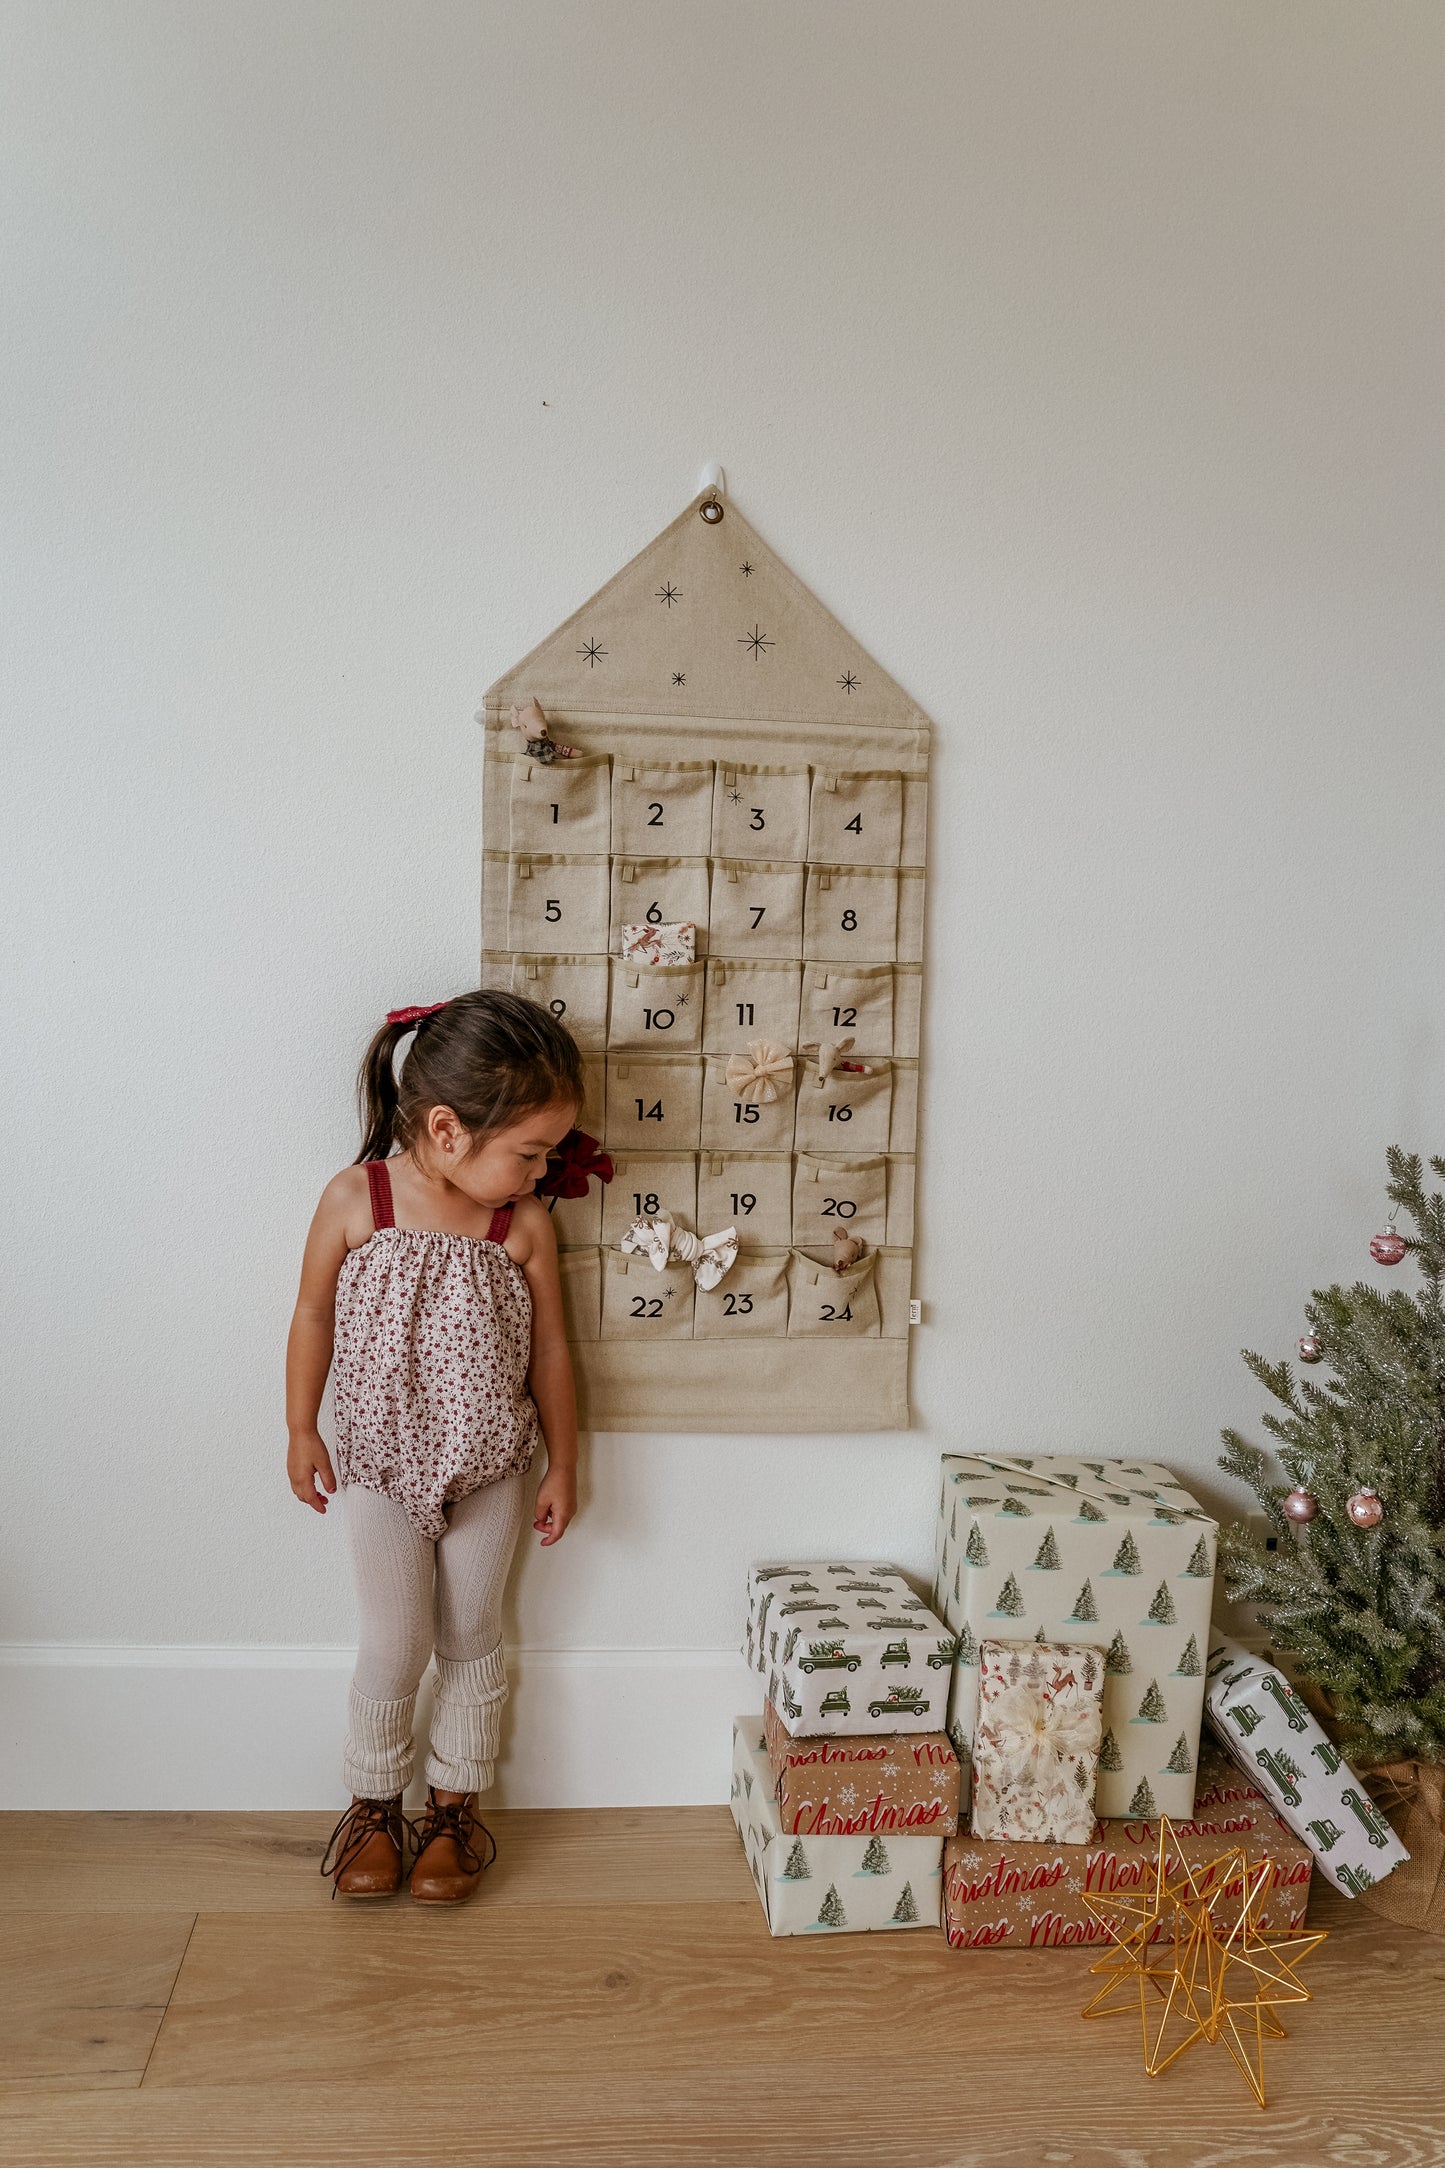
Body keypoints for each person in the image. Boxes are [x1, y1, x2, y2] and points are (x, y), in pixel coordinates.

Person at [285, 990, 583, 1902]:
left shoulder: (519, 1225)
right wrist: (300, 1426)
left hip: (490, 1466)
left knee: (469, 1634)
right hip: (377, 1463)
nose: (541, 1173)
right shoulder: (354, 1198)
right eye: (529, 1153)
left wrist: (565, 1464)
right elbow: (311, 1313)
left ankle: (454, 1806)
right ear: (447, 1129)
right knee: (395, 1637)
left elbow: (552, 1353)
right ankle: (374, 1803)